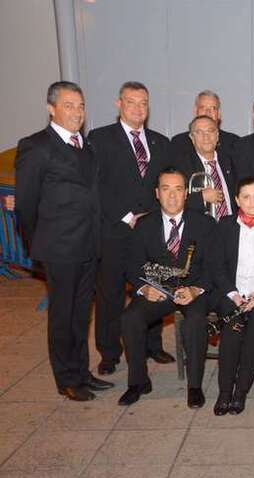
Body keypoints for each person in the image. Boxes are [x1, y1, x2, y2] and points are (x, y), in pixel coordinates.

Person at [15, 81, 113, 401]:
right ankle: (66, 378)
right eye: (69, 105)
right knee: (62, 315)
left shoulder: (87, 146)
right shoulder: (36, 146)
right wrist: (39, 243)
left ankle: (82, 372)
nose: (77, 112)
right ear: (51, 108)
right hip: (59, 248)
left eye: (80, 106)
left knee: (81, 314)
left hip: (89, 246)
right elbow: (26, 203)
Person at [89, 81, 173, 375]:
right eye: (131, 102)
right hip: (114, 230)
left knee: (153, 288)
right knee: (110, 295)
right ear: (119, 104)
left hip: (150, 233)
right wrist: (125, 216)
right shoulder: (100, 138)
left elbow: (162, 186)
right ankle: (109, 353)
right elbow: (95, 185)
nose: (138, 108)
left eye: (143, 103)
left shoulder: (161, 142)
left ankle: (153, 345)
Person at [118, 169, 215, 408]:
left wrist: (196, 289)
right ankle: (138, 382)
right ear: (157, 193)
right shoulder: (144, 224)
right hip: (157, 288)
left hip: (192, 289)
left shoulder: (205, 224)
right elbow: (131, 263)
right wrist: (144, 288)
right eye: (166, 189)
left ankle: (194, 387)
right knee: (130, 318)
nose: (172, 196)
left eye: (178, 189)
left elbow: (215, 265)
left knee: (195, 322)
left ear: (186, 194)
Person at [211, 177, 254, 415]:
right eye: (246, 197)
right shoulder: (225, 226)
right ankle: (224, 392)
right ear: (237, 200)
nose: (253, 202)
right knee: (231, 334)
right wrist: (233, 294)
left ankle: (240, 392)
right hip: (232, 293)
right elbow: (217, 267)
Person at [177, 115, 237, 219]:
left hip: (231, 224)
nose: (206, 136)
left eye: (210, 131)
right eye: (199, 132)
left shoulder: (232, 161)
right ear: (192, 138)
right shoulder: (181, 166)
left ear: (217, 135)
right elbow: (174, 201)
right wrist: (201, 197)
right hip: (200, 227)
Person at [170, 90, 239, 161]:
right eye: (203, 108)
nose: (208, 112)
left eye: (213, 108)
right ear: (195, 111)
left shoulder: (233, 143)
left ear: (219, 114)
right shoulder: (179, 143)